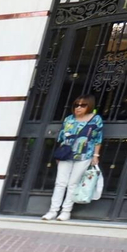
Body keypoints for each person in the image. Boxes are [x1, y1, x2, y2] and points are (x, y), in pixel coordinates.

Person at [43, 95, 104, 223]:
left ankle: (66, 211)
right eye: (76, 105)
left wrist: (96, 155)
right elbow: (62, 137)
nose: (78, 108)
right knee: (60, 183)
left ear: (89, 106)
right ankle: (53, 210)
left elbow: (98, 139)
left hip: (84, 155)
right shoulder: (69, 119)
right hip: (66, 155)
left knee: (73, 184)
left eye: (83, 105)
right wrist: (60, 154)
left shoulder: (96, 120)